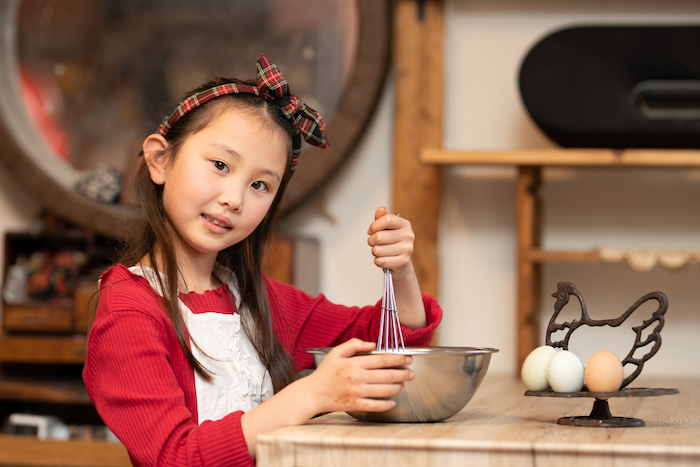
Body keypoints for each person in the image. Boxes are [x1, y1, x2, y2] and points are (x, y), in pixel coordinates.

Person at [82, 55, 442, 467]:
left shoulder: (260, 300)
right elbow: (173, 457)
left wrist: (400, 271)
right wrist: (311, 394)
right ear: (160, 159)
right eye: (220, 165)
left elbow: (393, 338)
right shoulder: (129, 311)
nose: (233, 198)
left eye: (259, 185)